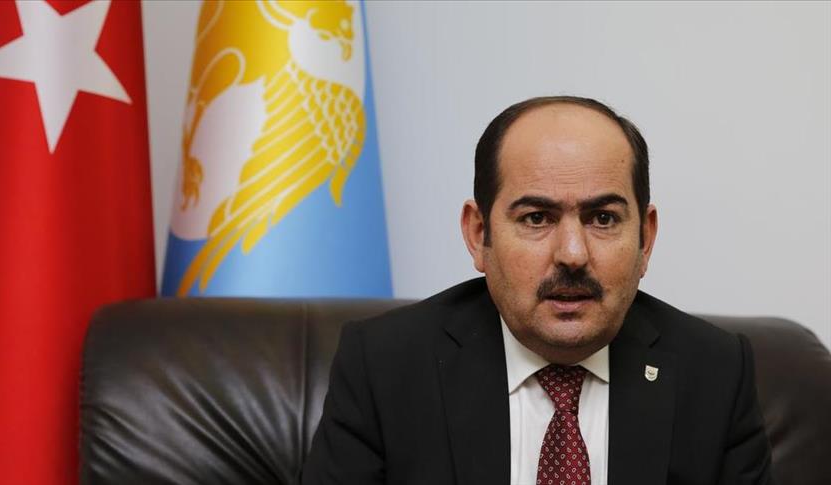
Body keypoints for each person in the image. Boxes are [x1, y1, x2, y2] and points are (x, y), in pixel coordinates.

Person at [300, 96, 774, 484]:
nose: (572, 254)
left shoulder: (715, 375)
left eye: (603, 218)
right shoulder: (385, 366)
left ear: (645, 239)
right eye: (536, 218)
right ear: (478, 234)